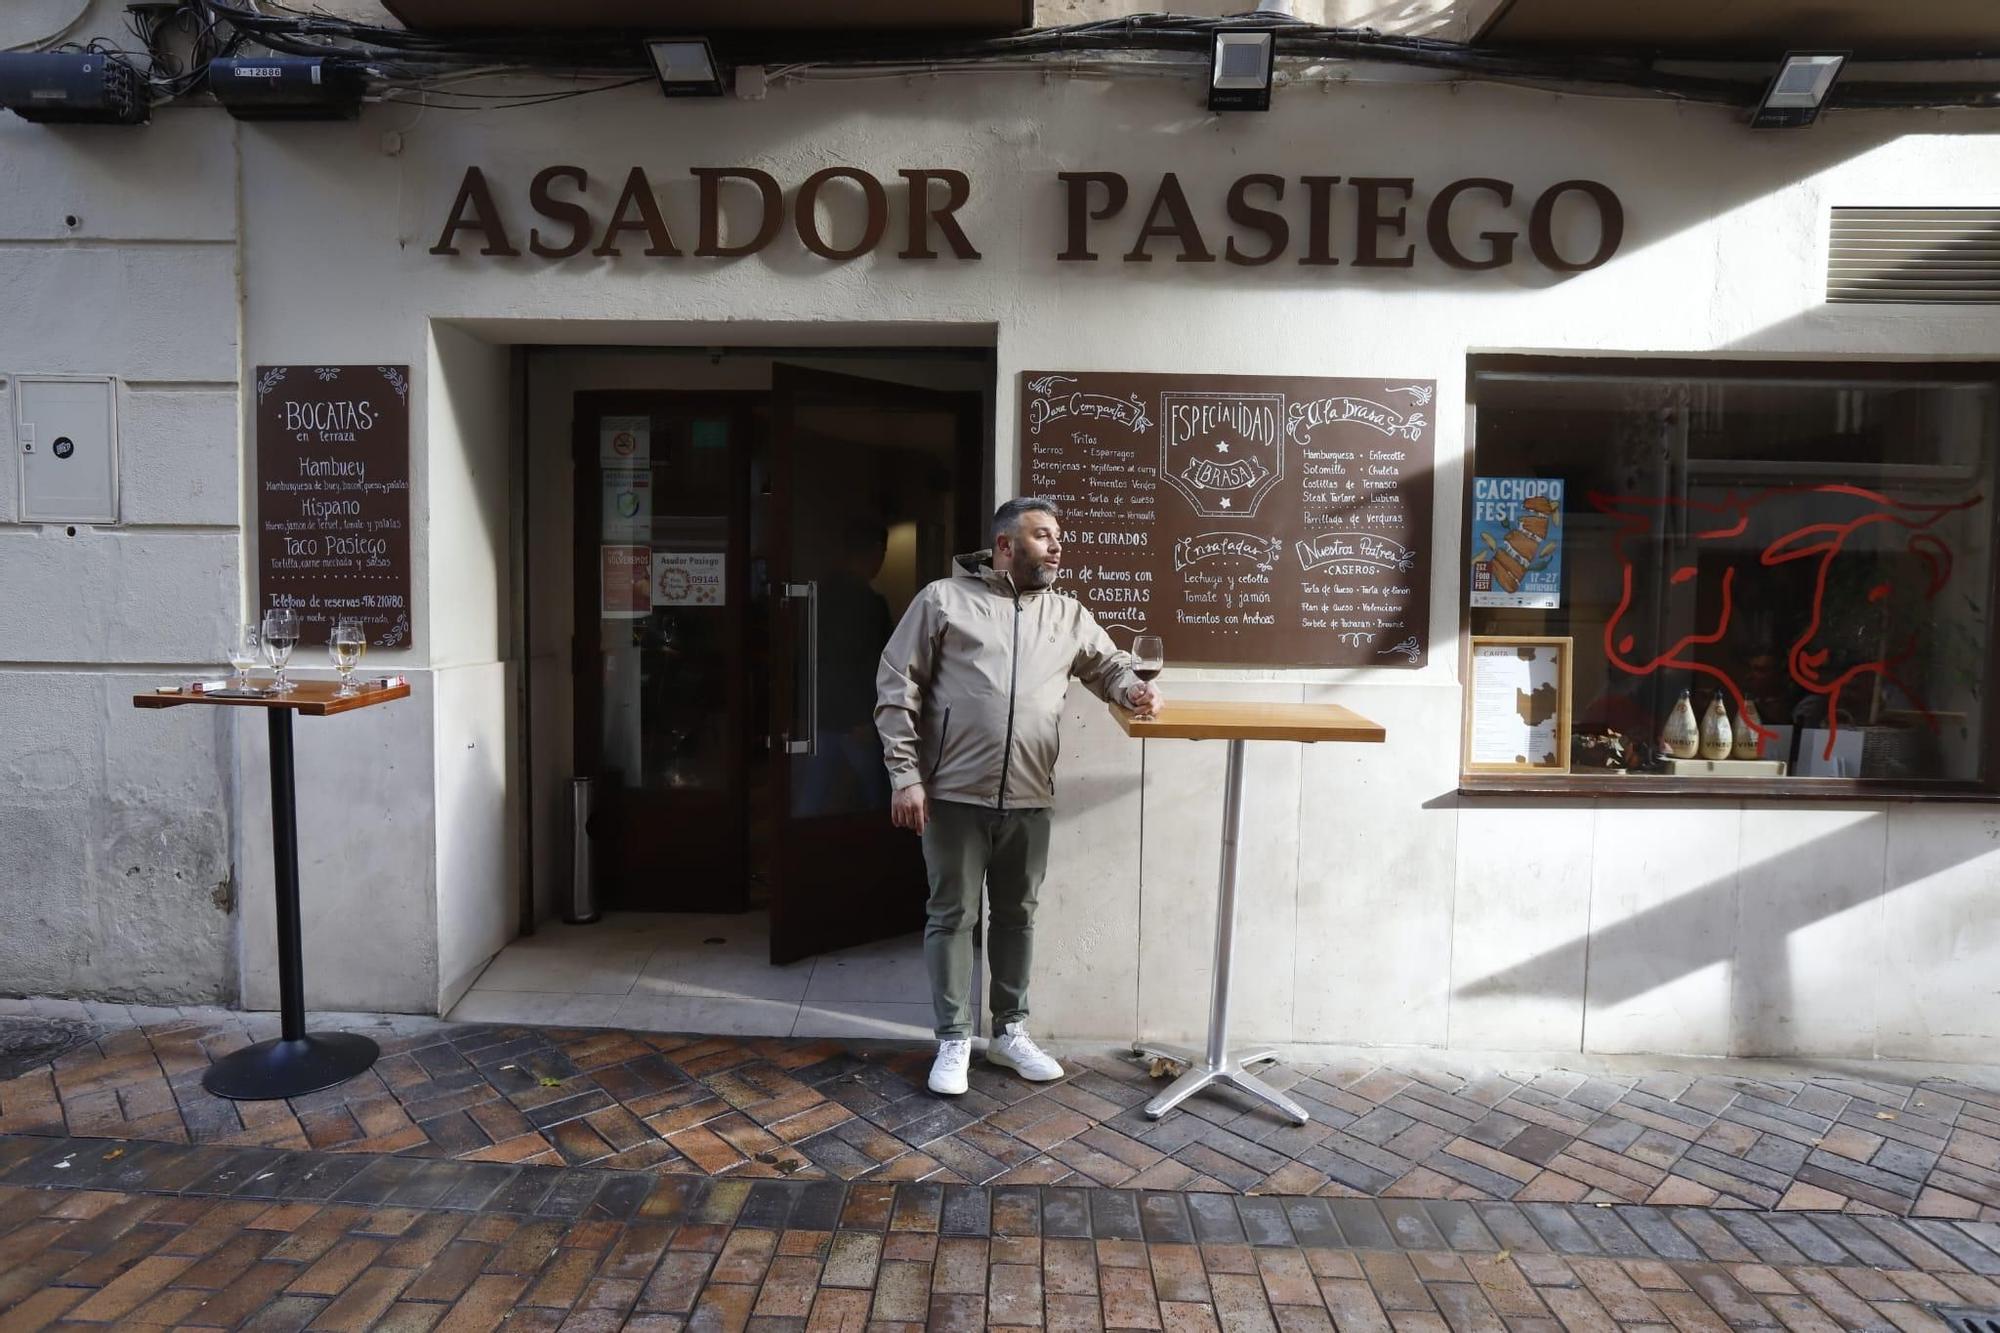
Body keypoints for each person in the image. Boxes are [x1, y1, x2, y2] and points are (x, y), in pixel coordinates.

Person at [875, 497, 1163, 1096]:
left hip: (1031, 792)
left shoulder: (1067, 614)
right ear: (1006, 545)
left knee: (1016, 917)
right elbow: (898, 685)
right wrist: (906, 775)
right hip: (954, 793)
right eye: (1042, 536)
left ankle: (1009, 1034)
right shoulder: (943, 600)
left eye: (1058, 535)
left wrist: (1133, 687)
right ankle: (954, 1038)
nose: (1056, 546)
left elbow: (1106, 665)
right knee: (952, 915)